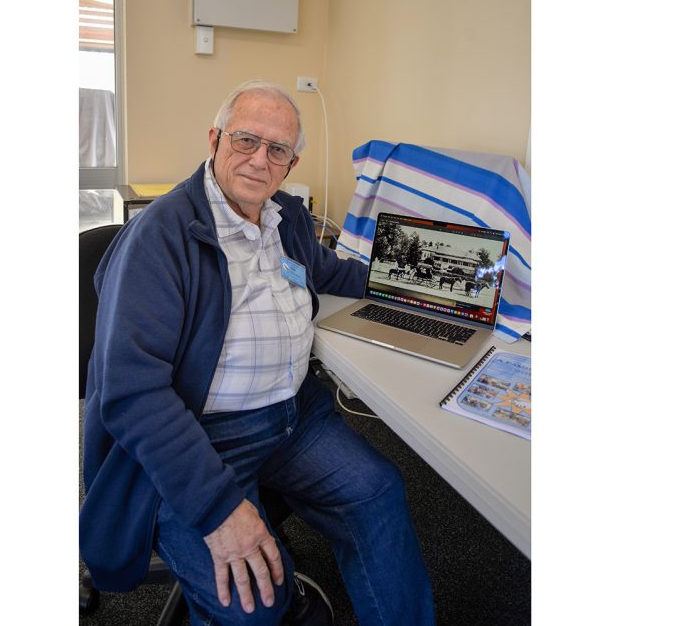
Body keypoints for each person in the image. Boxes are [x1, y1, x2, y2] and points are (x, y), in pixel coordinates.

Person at [80, 79, 435, 625]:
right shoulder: (162, 235)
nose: (259, 160)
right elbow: (132, 393)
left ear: (290, 165)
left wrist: (421, 283)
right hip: (203, 435)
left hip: (295, 418)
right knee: (253, 608)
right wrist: (218, 508)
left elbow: (333, 273)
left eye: (277, 150)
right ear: (215, 139)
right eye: (246, 140)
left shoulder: (285, 219)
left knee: (377, 492)